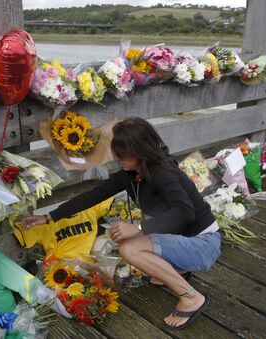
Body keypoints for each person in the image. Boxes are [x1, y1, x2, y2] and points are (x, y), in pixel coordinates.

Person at [22, 117, 221, 329]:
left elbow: (185, 213)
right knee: (128, 242)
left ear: (140, 150)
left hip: (204, 244)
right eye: (115, 149)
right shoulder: (131, 173)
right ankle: (177, 269)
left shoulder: (163, 173)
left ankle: (190, 297)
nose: (115, 156)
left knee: (129, 248)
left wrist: (137, 228)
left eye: (121, 151)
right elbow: (92, 196)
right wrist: (49, 217)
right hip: (182, 239)